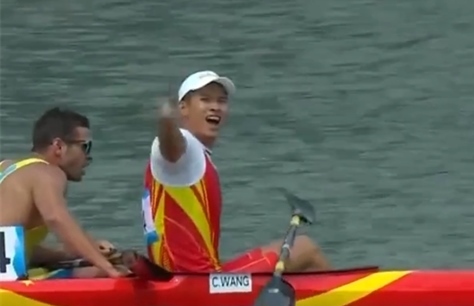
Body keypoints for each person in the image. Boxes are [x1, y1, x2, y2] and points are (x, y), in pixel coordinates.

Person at [142, 70, 332, 273]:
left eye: (221, 101)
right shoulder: (183, 151)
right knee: (306, 249)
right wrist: (166, 121)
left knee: (294, 255)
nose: (215, 106)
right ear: (183, 108)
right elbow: (170, 148)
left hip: (180, 275)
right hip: (195, 281)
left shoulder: (194, 158)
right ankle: (340, 290)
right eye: (205, 100)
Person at [0, 108, 126, 279]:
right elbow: (56, 217)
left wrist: (70, 254)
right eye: (85, 147)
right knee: (105, 272)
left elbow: (11, 246)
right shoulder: (48, 172)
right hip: (5, 283)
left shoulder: (6, 167)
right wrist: (108, 268)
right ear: (59, 146)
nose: (88, 158)